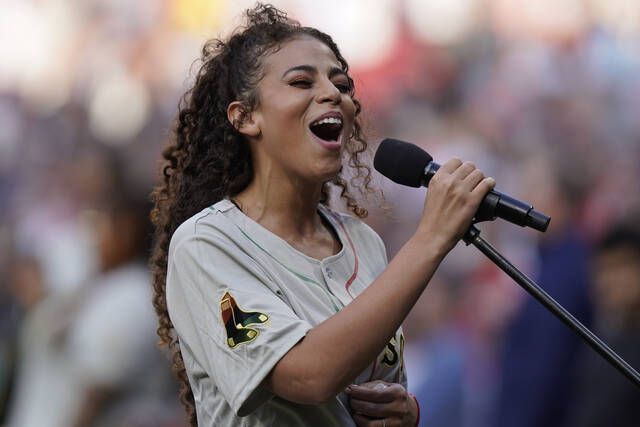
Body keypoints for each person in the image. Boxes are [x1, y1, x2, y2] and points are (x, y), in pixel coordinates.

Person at [150, 4, 495, 426]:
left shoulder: (363, 243)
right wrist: (431, 239)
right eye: (300, 82)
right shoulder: (207, 243)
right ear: (245, 117)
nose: (334, 94)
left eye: (342, 84)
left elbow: (365, 392)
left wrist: (404, 413)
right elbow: (309, 375)